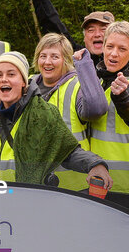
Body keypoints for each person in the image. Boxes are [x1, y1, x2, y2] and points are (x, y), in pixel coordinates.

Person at [0, 51, 112, 189]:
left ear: (23, 81)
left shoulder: (43, 113)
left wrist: (94, 164)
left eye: (11, 74)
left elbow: (68, 152)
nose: (4, 79)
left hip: (28, 204)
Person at [28, 33, 108, 191]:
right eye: (43, 56)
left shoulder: (76, 85)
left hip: (73, 186)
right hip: (34, 184)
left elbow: (97, 109)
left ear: (66, 60)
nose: (47, 62)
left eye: (54, 57)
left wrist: (84, 67)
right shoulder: (28, 84)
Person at [85, 20, 129, 212]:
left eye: (122, 49)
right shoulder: (97, 79)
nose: (113, 54)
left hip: (123, 183)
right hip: (95, 176)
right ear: (102, 47)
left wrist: (121, 97)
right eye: (110, 46)